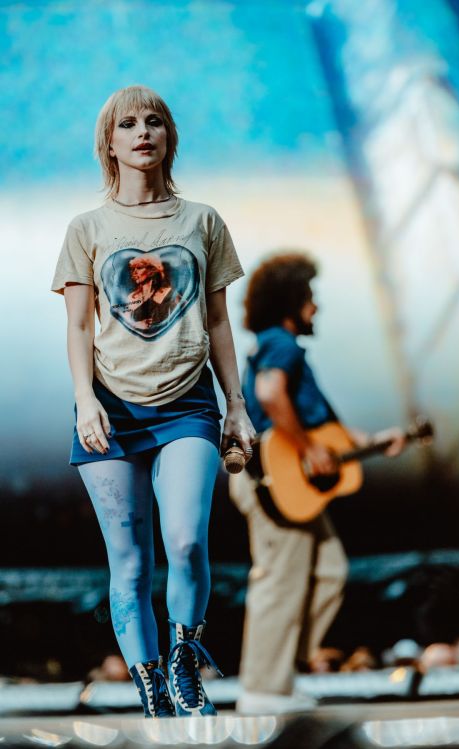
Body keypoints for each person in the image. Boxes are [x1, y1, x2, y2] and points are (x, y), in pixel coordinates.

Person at [51, 85, 255, 718]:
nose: (143, 132)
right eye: (128, 124)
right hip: (109, 411)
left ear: (169, 136)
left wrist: (237, 405)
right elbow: (80, 326)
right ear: (108, 143)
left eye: (155, 122)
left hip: (187, 404)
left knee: (188, 540)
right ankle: (150, 692)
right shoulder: (87, 228)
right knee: (130, 564)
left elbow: (218, 321)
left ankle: (185, 659)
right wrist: (84, 400)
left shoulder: (202, 220)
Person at [229, 252, 405, 714]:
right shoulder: (280, 345)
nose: (315, 308)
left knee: (330, 571)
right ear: (290, 301)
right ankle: (262, 690)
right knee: (280, 580)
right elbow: (270, 395)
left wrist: (371, 441)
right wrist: (307, 449)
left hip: (293, 486)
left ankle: (282, 670)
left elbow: (321, 427)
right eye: (309, 298)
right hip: (271, 479)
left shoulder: (285, 350)